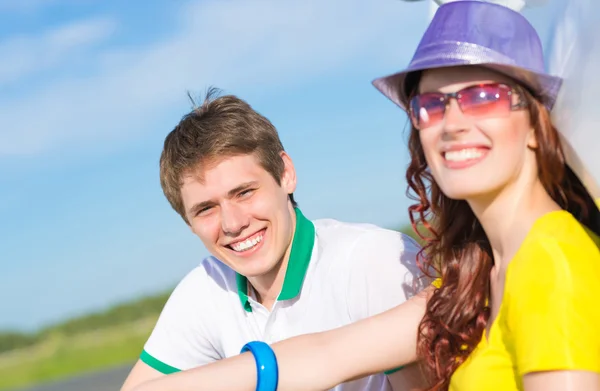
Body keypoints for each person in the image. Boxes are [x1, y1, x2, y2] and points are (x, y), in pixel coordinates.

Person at [128, 2, 600, 391]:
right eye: (432, 105)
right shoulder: (477, 273)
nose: (453, 123)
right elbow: (324, 354)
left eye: (483, 97)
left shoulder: (550, 260)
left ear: (537, 123)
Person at [120, 88, 427, 391]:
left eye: (244, 192)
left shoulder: (373, 260)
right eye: (206, 209)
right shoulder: (207, 288)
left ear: (286, 174)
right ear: (188, 223)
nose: (233, 224)